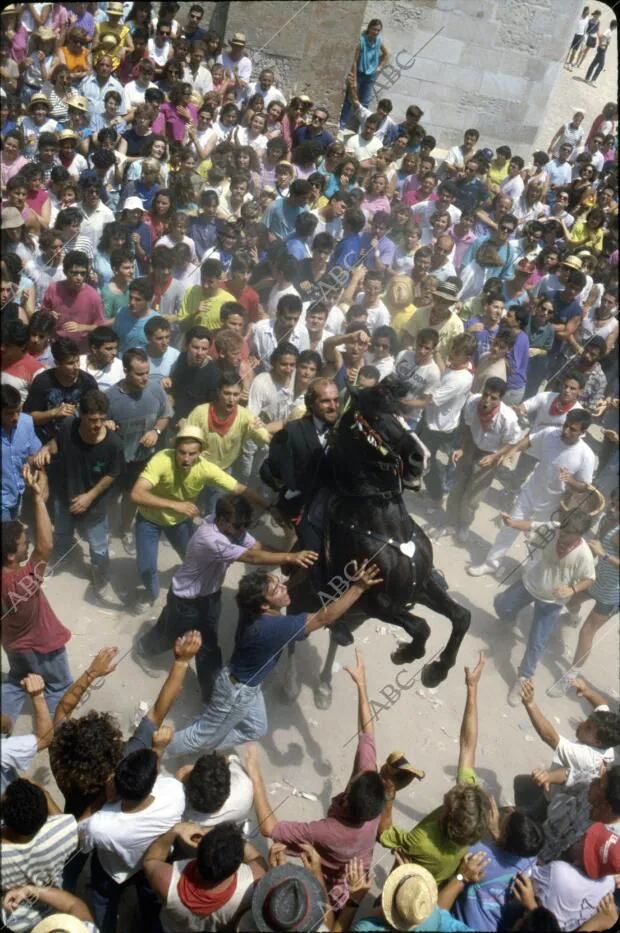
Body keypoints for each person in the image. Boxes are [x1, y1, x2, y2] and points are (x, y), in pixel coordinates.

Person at [164, 560, 382, 758]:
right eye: (277, 589)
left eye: (280, 583)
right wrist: (358, 587)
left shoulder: (251, 608)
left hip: (246, 685)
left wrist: (300, 575)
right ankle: (158, 752)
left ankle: (208, 742)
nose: (284, 587)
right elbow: (325, 616)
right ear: (265, 606)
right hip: (236, 694)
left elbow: (279, 588)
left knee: (256, 728)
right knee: (199, 738)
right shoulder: (274, 628)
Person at [247, 648, 397, 909]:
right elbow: (367, 732)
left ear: (347, 795)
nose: (361, 769)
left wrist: (255, 774)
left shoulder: (328, 831)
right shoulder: (372, 802)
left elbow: (270, 829)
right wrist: (362, 685)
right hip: (358, 865)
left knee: (315, 907)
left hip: (333, 889)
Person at [135, 493, 316, 702]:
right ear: (221, 520)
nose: (241, 532)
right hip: (184, 601)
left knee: (209, 645)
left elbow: (255, 546)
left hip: (210, 598)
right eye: (237, 527)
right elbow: (249, 556)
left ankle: (210, 695)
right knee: (170, 636)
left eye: (242, 527)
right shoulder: (210, 538)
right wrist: (289, 557)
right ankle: (143, 651)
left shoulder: (232, 527)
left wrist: (290, 561)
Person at [379, 654, 492, 882]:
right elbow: (468, 745)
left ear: (448, 816)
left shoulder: (423, 841)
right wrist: (472, 689)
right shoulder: (472, 817)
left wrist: (389, 792)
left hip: (405, 887)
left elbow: (384, 834)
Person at [130, 425, 267, 612]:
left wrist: (269, 507)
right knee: (146, 566)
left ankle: (188, 587)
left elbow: (239, 488)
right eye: (182, 452)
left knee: (194, 558)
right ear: (175, 449)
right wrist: (175, 505)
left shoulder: (206, 469)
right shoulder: (162, 459)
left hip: (179, 522)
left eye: (192, 454)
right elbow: (137, 494)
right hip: (148, 519)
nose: (186, 459)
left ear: (200, 453)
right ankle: (151, 593)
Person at [468, 410, 596, 576]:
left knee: (540, 539)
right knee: (509, 527)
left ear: (583, 433)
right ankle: (491, 563)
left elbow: (584, 487)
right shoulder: (551, 434)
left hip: (552, 503)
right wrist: (514, 450)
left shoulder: (586, 455)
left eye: (573, 429)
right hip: (530, 492)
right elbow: (530, 440)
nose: (566, 431)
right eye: (566, 425)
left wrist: (571, 480)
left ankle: (530, 572)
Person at [493, 509, 596, 704]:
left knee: (536, 642)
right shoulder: (553, 529)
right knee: (501, 604)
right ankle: (508, 621)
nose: (563, 534)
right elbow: (531, 525)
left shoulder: (584, 554)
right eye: (563, 529)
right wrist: (512, 522)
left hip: (551, 601)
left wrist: (572, 589)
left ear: (579, 534)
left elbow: (590, 579)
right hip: (530, 583)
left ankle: (524, 678)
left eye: (568, 533)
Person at [33, 389, 124, 602]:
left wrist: (90, 496)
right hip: (64, 498)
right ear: (81, 415)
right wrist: (46, 448)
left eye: (102, 419)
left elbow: (113, 473)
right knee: (62, 534)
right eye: (92, 419)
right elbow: (57, 443)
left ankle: (100, 575)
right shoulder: (67, 426)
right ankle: (62, 560)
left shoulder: (113, 444)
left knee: (98, 545)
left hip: (95, 505)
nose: (98, 425)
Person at [1, 465, 72, 724]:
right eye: (22, 542)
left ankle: (2, 723)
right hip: (44, 648)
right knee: (59, 686)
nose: (27, 541)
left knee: (15, 682)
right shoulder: (23, 579)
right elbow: (46, 546)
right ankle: (53, 733)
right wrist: (38, 498)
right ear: (11, 554)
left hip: (13, 647)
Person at [433, 379, 521, 544]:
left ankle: (464, 524)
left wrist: (494, 457)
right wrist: (462, 448)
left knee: (473, 494)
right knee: (457, 487)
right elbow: (467, 427)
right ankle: (450, 522)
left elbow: (512, 442)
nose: (487, 400)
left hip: (490, 452)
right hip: (471, 445)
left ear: (501, 399)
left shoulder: (508, 419)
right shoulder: (473, 403)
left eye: (493, 398)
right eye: (486, 394)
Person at [105, 347, 172, 556]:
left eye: (147, 373)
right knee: (107, 497)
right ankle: (104, 534)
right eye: (139, 374)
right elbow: (94, 424)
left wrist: (156, 430)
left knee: (131, 497)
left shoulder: (156, 390)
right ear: (126, 371)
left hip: (141, 458)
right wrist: (104, 424)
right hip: (115, 459)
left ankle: (125, 530)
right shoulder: (110, 398)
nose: (145, 378)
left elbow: (165, 415)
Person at [143, 820, 266, 932]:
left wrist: (174, 830)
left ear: (198, 848)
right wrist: (237, 843)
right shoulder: (253, 883)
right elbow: (257, 859)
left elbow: (150, 860)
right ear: (237, 864)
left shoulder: (166, 882)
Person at [0, 777, 79, 933]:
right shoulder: (64, 831)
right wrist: (42, 791)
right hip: (53, 904)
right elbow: (59, 816)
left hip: (17, 919)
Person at [416, 333, 477, 503]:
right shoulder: (459, 366)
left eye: (457, 352)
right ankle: (434, 490)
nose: (452, 354)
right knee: (426, 458)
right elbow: (446, 370)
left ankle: (436, 496)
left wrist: (407, 400)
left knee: (427, 463)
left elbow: (431, 401)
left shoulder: (461, 379)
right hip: (433, 421)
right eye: (452, 349)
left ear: (467, 356)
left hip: (437, 427)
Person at [23, 337, 98, 445]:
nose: (76, 367)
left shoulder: (88, 382)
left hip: (77, 442)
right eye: (70, 363)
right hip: (44, 441)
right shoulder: (42, 382)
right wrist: (54, 412)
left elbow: (96, 415)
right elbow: (29, 418)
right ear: (57, 363)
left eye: (77, 361)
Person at [40, 250, 105, 354]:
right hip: (56, 348)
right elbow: (43, 312)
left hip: (81, 352)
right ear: (65, 271)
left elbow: (100, 326)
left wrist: (82, 327)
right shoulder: (53, 288)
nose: (79, 277)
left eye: (83, 273)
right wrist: (48, 314)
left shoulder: (94, 296)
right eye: (74, 273)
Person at [1, 384, 43, 522]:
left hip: (18, 496)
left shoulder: (26, 422)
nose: (16, 417)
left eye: (18, 411)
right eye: (9, 413)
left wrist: (37, 464)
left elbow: (34, 454)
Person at [79, 326, 124, 391]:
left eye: (116, 348)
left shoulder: (120, 367)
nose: (115, 352)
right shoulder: (78, 363)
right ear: (94, 349)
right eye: (109, 349)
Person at [585, 19, 617, 86]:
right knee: (601, 65)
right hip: (601, 49)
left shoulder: (609, 31)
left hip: (602, 49)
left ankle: (587, 78)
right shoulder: (608, 31)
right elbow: (601, 36)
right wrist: (600, 44)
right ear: (614, 26)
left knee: (594, 63)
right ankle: (593, 80)